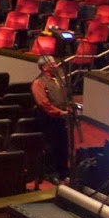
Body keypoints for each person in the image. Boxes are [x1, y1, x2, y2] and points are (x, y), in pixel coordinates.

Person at [31, 55, 74, 183]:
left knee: (63, 145)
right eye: (53, 63)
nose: (56, 65)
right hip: (48, 119)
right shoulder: (38, 83)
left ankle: (64, 171)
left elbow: (66, 96)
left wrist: (68, 108)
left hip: (61, 118)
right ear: (44, 67)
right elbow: (44, 103)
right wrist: (59, 112)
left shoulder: (59, 79)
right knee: (51, 146)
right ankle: (52, 172)